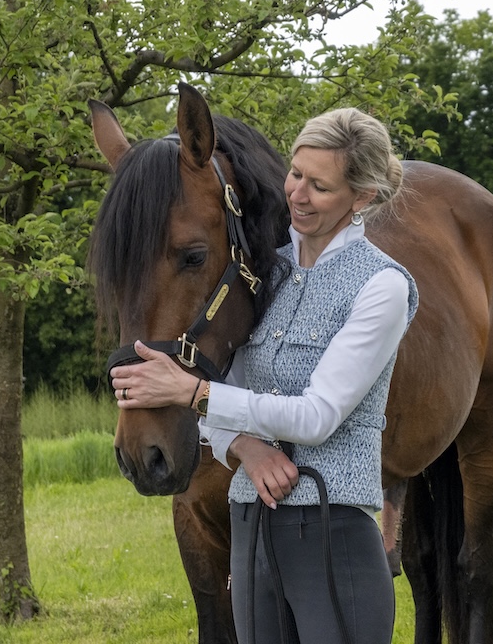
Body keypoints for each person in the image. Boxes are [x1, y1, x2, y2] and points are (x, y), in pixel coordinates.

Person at [110, 107, 417, 644]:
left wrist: (192, 392)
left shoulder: (381, 287)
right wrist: (243, 449)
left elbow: (317, 417)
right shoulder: (258, 272)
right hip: (250, 532)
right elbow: (224, 397)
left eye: (319, 186)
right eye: (295, 174)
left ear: (361, 197)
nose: (297, 194)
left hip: (331, 532)